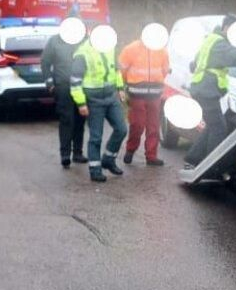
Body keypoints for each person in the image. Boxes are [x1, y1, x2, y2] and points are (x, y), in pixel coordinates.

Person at [183, 15, 236, 167]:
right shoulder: (220, 44)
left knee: (213, 125)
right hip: (206, 91)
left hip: (202, 88)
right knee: (219, 128)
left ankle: (193, 158)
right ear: (227, 28)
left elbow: (194, 63)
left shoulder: (211, 39)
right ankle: (211, 165)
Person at [70, 25, 128, 183]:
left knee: (122, 129)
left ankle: (108, 159)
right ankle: (95, 170)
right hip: (93, 100)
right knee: (96, 137)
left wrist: (120, 88)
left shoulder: (110, 47)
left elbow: (116, 70)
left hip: (111, 96)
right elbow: (75, 83)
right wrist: (81, 103)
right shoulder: (82, 53)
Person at [119, 23, 171, 167]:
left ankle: (151, 156)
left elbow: (165, 70)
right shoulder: (130, 49)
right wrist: (124, 87)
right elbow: (122, 71)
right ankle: (130, 149)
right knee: (137, 125)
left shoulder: (162, 51)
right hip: (136, 95)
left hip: (155, 94)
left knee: (153, 126)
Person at [41, 18, 87, 167]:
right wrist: (49, 82)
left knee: (80, 119)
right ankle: (65, 154)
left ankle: (78, 152)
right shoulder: (54, 41)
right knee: (67, 119)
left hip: (81, 86)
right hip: (63, 86)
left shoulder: (85, 40)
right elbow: (45, 62)